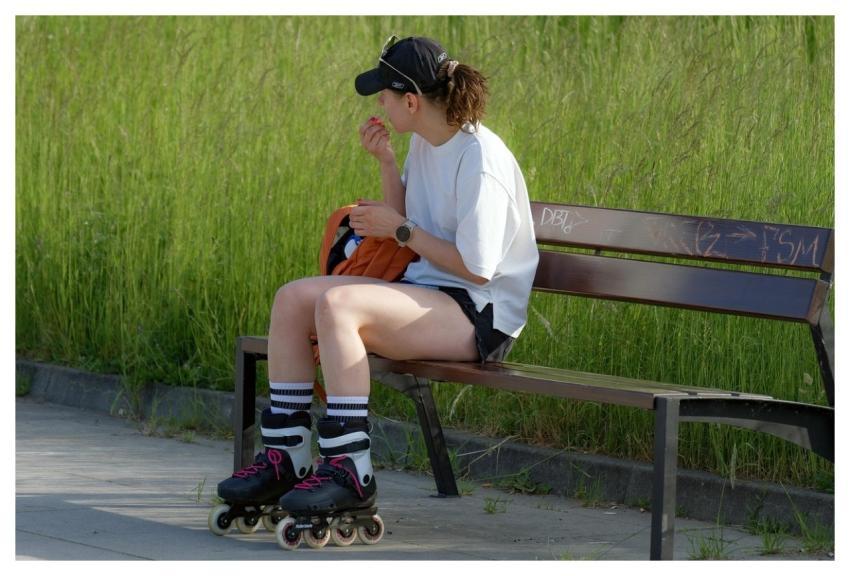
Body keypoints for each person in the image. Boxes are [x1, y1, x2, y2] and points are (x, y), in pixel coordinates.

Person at [213, 34, 539, 546]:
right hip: (429, 292)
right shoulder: (425, 142)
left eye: (384, 94)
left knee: (339, 304)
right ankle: (288, 457)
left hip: (477, 314)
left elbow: (478, 269)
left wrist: (399, 230)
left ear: (411, 100)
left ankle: (350, 471)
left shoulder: (480, 159)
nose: (379, 104)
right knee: (293, 298)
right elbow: (407, 221)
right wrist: (388, 164)